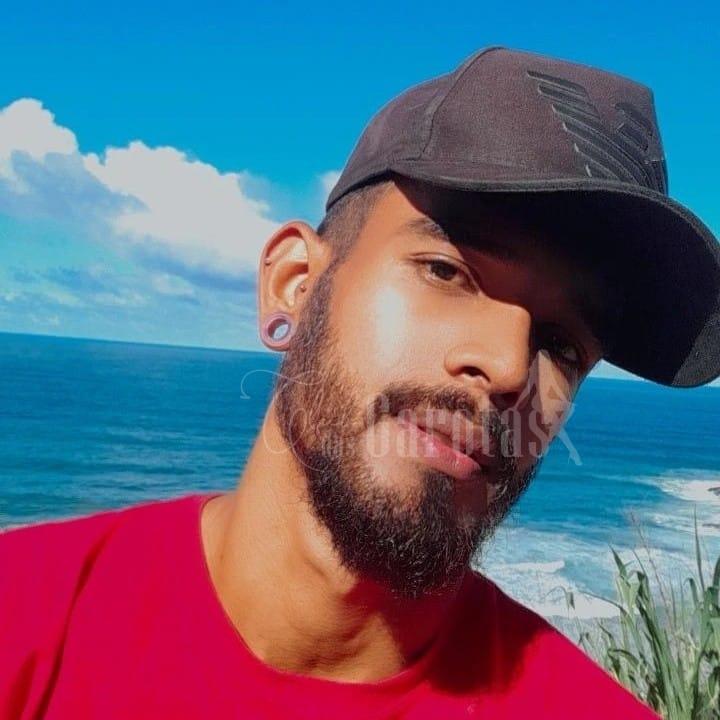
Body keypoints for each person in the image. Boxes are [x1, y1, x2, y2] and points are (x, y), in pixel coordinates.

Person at [1, 46, 718, 720]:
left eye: (561, 345)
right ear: (295, 282)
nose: (506, 368)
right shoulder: (27, 619)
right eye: (446, 272)